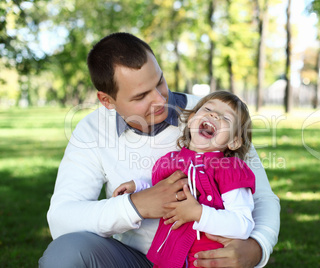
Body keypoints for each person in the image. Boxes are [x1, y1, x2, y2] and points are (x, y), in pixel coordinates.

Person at [39, 32, 280, 268]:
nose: (159, 99)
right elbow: (61, 219)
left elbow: (262, 197)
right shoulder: (92, 129)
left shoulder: (210, 116)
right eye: (141, 95)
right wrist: (136, 205)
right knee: (65, 254)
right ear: (107, 100)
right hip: (135, 258)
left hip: (202, 258)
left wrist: (257, 248)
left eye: (160, 82)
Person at [113, 91, 256, 267]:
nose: (214, 115)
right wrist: (138, 187)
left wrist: (198, 213)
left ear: (234, 142)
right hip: (168, 258)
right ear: (191, 121)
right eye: (208, 109)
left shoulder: (230, 169)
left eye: (226, 118)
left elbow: (243, 225)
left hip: (207, 260)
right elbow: (161, 190)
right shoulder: (170, 161)